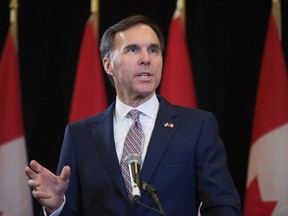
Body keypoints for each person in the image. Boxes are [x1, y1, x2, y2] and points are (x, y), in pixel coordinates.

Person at [25, 15, 242, 216]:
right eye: (132, 50)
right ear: (108, 64)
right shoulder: (79, 135)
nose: (146, 59)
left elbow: (223, 205)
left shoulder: (197, 127)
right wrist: (57, 207)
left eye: (154, 50)